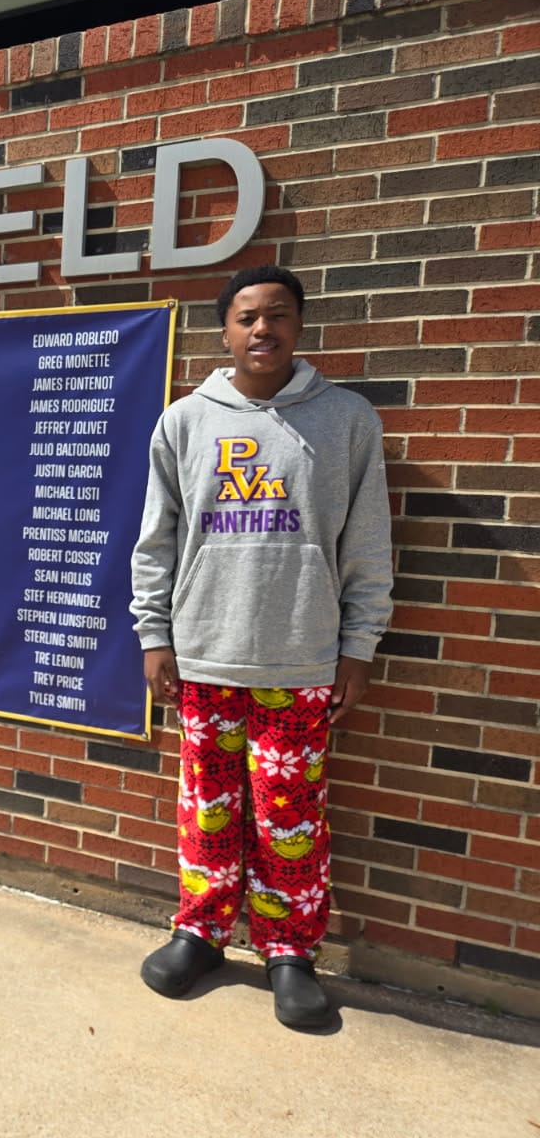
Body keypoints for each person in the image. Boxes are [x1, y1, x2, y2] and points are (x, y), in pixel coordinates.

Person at [129, 265, 393, 1029]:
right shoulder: (185, 421)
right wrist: (154, 634)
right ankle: (201, 931)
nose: (261, 330)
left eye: (277, 316)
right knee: (206, 805)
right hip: (205, 653)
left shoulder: (346, 421)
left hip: (300, 659)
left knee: (288, 816)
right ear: (225, 330)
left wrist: (358, 647)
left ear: (299, 328)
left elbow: (368, 544)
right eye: (247, 317)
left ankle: (289, 951)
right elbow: (156, 541)